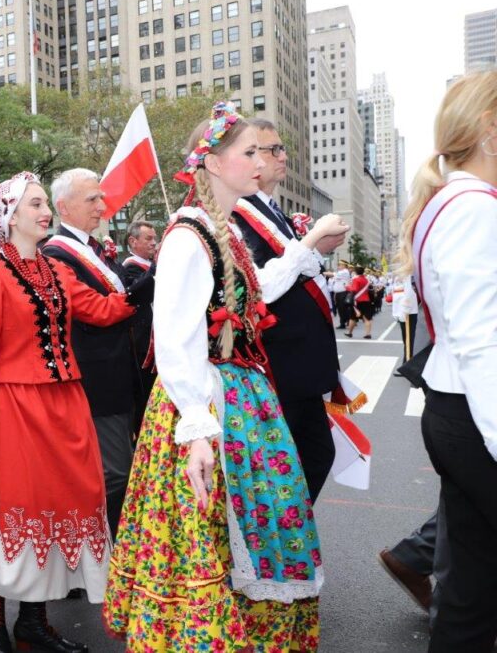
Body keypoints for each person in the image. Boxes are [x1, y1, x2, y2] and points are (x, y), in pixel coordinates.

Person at [106, 103, 322, 651]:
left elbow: (252, 296)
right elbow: (176, 340)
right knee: (209, 534)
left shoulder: (219, 230)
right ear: (213, 163)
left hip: (242, 396)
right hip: (205, 399)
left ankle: (244, 630)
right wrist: (198, 429)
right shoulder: (188, 235)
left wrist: (303, 249)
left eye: (260, 151)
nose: (260, 161)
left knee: (255, 523)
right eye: (248, 152)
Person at [0, 172, 151, 653]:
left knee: (61, 507)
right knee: (18, 509)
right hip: (17, 402)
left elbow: (105, 310)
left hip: (65, 403)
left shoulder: (56, 270)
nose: (45, 211)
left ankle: (34, 621)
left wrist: (155, 284)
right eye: (36, 204)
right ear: (11, 215)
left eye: (46, 203)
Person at [395, 70, 497, 652]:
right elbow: (481, 337)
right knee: (471, 590)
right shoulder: (473, 206)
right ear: (489, 129)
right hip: (473, 412)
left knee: (472, 590)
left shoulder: (454, 200)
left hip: (460, 408)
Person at [231, 117, 352, 503]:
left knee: (312, 456)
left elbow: (296, 268)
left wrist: (317, 247)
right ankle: (282, 546)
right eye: (270, 150)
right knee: (292, 463)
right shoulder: (238, 213)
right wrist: (313, 239)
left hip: (298, 361)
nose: (283, 157)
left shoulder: (270, 209)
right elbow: (260, 285)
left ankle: (290, 541)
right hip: (277, 362)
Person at [41, 168, 142, 536]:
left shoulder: (92, 248)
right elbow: (99, 310)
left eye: (101, 197)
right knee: (113, 473)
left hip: (117, 374)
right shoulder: (55, 254)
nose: (103, 205)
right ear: (64, 208)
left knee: (115, 469)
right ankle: (95, 550)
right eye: (92, 199)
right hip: (94, 380)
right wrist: (151, 282)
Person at [121, 220, 159, 434]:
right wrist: (156, 267)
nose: (154, 243)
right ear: (133, 242)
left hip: (160, 339)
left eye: (155, 238)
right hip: (143, 345)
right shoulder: (130, 268)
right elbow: (138, 293)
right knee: (146, 397)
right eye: (148, 239)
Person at [344, 266, 373, 338]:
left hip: (357, 301)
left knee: (353, 317)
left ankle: (350, 333)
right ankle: (368, 334)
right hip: (366, 300)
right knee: (367, 318)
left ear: (356, 272)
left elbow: (354, 289)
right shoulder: (366, 279)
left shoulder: (356, 279)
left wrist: (347, 287)